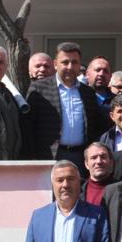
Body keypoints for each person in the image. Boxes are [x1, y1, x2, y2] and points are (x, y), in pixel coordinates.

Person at [26, 41, 105, 169]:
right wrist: (32, 156)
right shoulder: (39, 89)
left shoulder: (88, 92)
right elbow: (29, 125)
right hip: (50, 156)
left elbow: (95, 125)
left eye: (74, 62)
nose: (70, 67)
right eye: (65, 62)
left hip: (81, 156)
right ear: (55, 64)